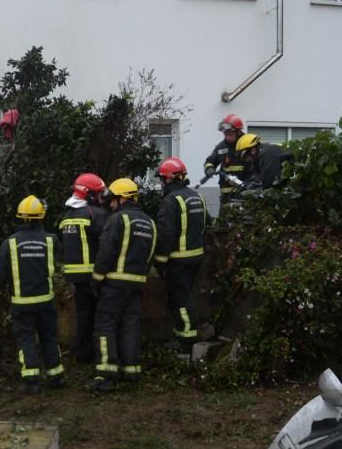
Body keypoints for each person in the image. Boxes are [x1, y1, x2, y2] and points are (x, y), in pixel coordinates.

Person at [0, 195, 64, 394]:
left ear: (20, 217)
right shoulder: (51, 240)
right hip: (46, 301)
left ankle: (31, 381)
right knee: (49, 337)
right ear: (41, 216)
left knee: (26, 339)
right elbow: (61, 263)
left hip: (21, 304)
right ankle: (55, 376)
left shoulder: (10, 243)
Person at [86, 178, 157, 392]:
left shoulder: (117, 220)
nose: (110, 204)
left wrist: (97, 279)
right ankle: (132, 370)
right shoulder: (149, 222)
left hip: (114, 284)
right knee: (130, 326)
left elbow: (106, 252)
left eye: (113, 200)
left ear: (123, 198)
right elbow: (151, 255)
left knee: (105, 325)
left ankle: (106, 374)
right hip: (136, 285)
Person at [154, 158, 209, 355]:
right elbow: (207, 224)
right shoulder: (196, 197)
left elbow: (166, 235)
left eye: (162, 179)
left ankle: (187, 339)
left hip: (178, 259)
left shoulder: (171, 201)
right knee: (185, 295)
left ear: (168, 179)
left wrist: (160, 261)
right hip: (197, 257)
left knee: (180, 297)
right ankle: (180, 335)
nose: (161, 183)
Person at [59, 172, 108, 363]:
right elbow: (106, 243)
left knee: (83, 316)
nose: (100, 198)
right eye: (97, 194)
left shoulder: (67, 215)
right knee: (102, 317)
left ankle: (83, 354)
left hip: (76, 278)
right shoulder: (95, 214)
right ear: (88, 194)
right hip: (94, 275)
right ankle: (102, 356)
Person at [203, 114, 246, 208]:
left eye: (230, 134)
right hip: (226, 197)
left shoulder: (247, 145)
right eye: (225, 134)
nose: (227, 137)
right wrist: (209, 168)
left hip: (245, 195)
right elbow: (210, 161)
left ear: (238, 132)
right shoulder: (221, 147)